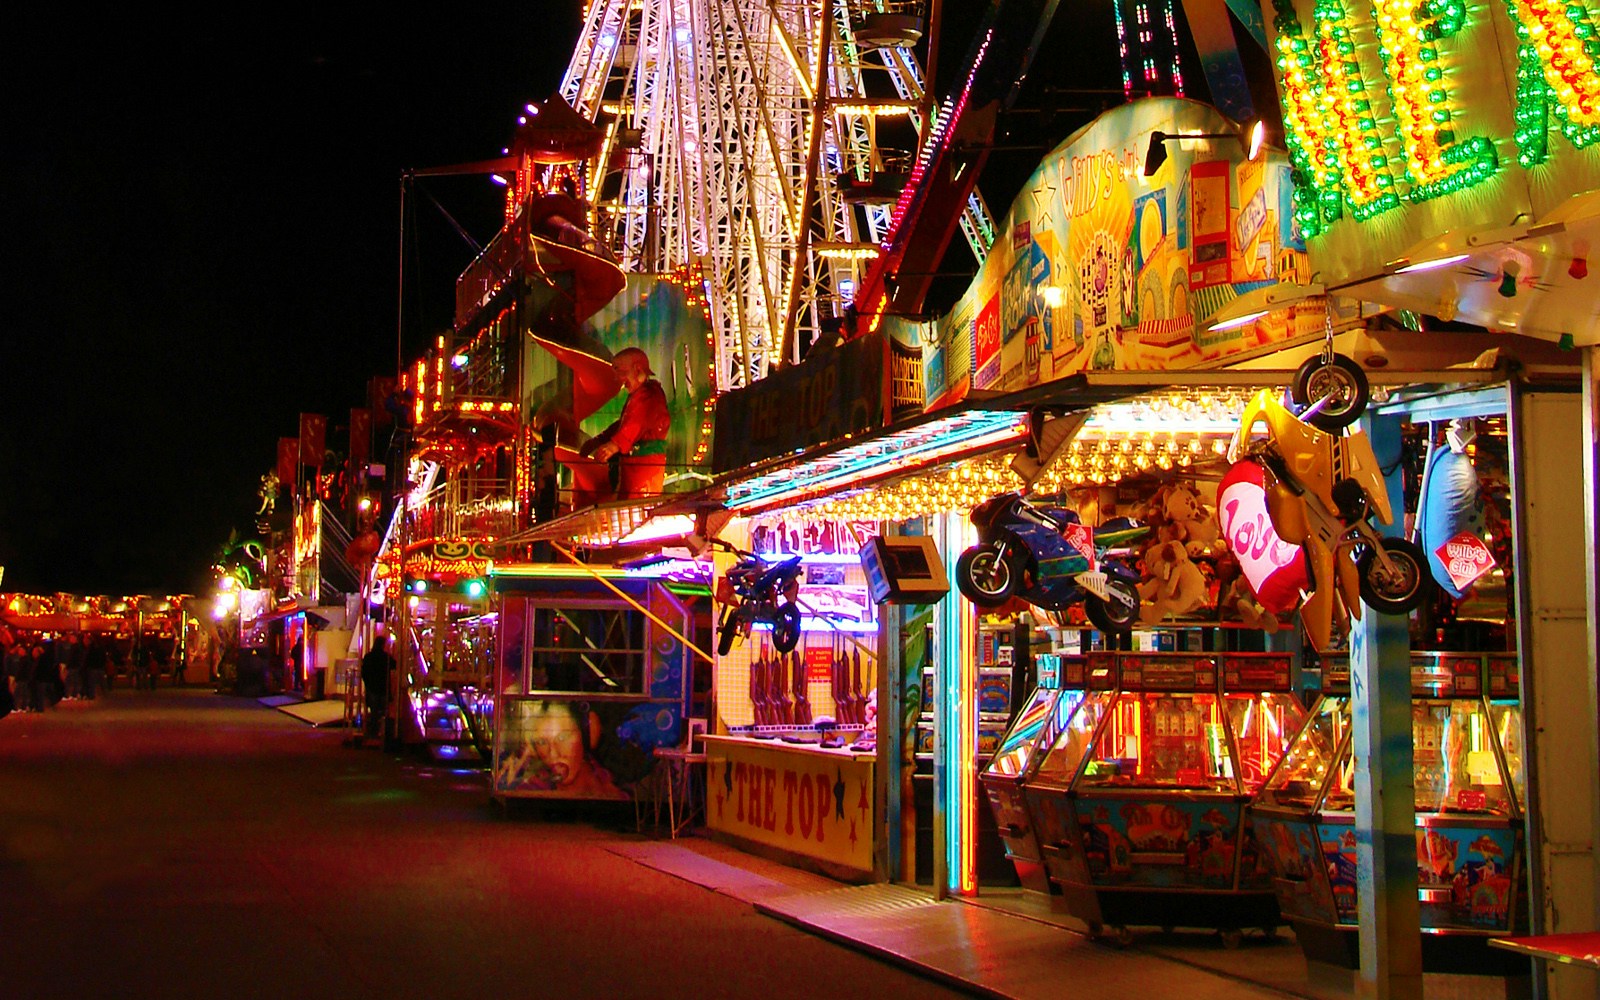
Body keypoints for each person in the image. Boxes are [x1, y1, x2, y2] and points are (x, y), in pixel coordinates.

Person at [578, 347, 671, 501]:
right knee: (628, 499)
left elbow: (635, 423)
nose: (618, 379)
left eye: (621, 372)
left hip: (645, 463)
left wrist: (614, 445)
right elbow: (624, 424)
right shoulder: (637, 396)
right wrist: (601, 440)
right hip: (633, 462)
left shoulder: (649, 396)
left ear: (637, 369)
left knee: (638, 501)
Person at [496, 700, 622, 798]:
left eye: (562, 737)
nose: (553, 753)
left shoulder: (616, 784)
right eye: (542, 742)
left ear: (585, 735)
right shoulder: (532, 788)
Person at [359, 632, 395, 744]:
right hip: (383, 687)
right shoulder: (386, 657)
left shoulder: (368, 657)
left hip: (372, 688)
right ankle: (382, 732)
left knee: (374, 711)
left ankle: (373, 731)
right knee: (384, 711)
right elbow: (395, 665)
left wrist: (368, 684)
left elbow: (364, 672)